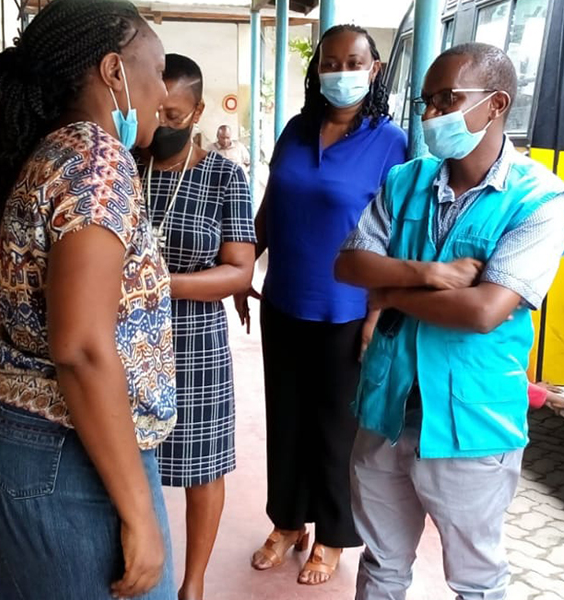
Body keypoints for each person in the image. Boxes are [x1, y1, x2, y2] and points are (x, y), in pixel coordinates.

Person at [335, 42, 564, 600]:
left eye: (447, 99)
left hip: (471, 423)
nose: (429, 116)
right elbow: (348, 264)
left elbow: (484, 311)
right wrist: (425, 274)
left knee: (475, 579)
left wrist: (390, 293)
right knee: (381, 562)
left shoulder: (540, 200)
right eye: (426, 102)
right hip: (387, 411)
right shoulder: (406, 181)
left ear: (496, 104)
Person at [0, 1, 176, 598]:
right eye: (156, 71)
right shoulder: (96, 160)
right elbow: (79, 346)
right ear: (114, 72)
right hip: (66, 446)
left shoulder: (49, 151)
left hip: (18, 423)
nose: (163, 92)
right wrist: (140, 513)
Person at [235, 24, 408, 586]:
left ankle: (332, 536)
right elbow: (271, 207)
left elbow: (396, 235)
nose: (339, 72)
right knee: (284, 420)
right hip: (284, 301)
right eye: (329, 63)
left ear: (374, 68)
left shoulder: (391, 142)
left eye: (352, 61)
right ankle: (288, 524)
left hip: (348, 312)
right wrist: (243, 268)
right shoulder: (295, 129)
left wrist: (379, 313)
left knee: (335, 429)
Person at [141, 53, 256, 600]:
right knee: (124, 458)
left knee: (201, 464)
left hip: (194, 343)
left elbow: (238, 271)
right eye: (153, 110)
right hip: (126, 341)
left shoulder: (224, 174)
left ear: (198, 111)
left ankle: (192, 585)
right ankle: (140, 567)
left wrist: (156, 284)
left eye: (174, 114)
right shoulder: (119, 165)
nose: (161, 124)